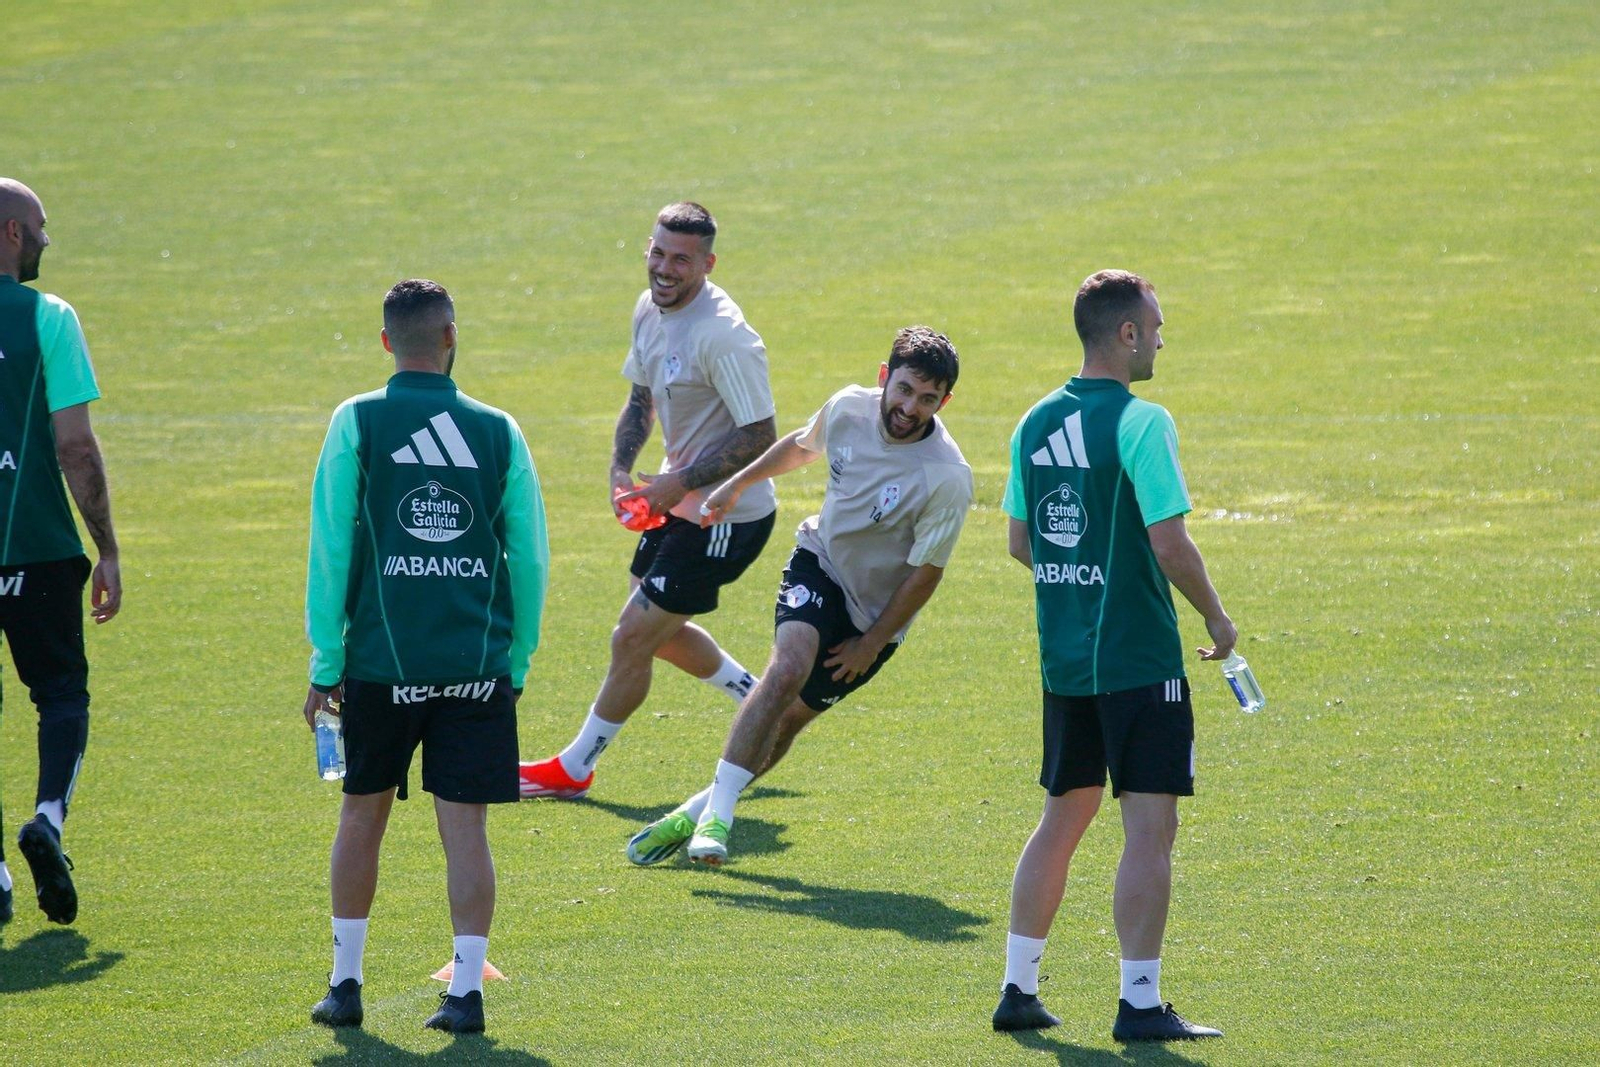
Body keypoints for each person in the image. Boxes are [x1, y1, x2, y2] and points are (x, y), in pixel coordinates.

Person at [990, 270, 1236, 1042]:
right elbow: (1170, 542)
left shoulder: (1033, 422)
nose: (1162, 338)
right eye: (1156, 326)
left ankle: (1018, 988)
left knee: (1062, 817)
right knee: (1149, 828)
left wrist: (1081, 577)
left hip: (1066, 662)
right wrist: (1216, 615)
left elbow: (1021, 542)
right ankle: (1139, 1001)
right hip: (1137, 659)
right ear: (1126, 333)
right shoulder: (1141, 422)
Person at [626, 326, 973, 868]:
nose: (910, 407)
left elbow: (925, 573)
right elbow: (800, 446)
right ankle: (719, 817)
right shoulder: (848, 408)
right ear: (885, 378)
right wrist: (737, 483)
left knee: (788, 721)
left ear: (943, 401)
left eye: (927, 399)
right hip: (820, 561)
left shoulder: (947, 476)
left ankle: (695, 811)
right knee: (786, 670)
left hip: (874, 618)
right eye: (904, 390)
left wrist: (872, 642)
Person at [303, 279, 548, 1034]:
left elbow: (331, 547)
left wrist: (324, 662)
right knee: (465, 829)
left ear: (387, 343)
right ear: (450, 335)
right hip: (475, 666)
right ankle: (466, 992)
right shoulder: (498, 431)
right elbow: (530, 558)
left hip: (380, 663)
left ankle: (345, 985)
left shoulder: (357, 421)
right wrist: (518, 660)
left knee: (359, 815)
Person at [518, 202, 777, 800]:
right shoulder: (650, 309)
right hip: (676, 499)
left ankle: (575, 768)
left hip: (724, 516)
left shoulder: (725, 337)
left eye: (681, 259)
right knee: (652, 629)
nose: (665, 268)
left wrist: (680, 483)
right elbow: (641, 399)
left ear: (707, 264)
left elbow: (760, 435)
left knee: (632, 636)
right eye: (657, 252)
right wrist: (620, 469)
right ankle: (759, 696)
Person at [0, 178, 121, 928]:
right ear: (12, 234)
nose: (48, 240)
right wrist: (107, 546)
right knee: (61, 694)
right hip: (39, 549)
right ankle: (47, 818)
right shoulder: (48, 316)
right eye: (41, 228)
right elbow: (75, 446)